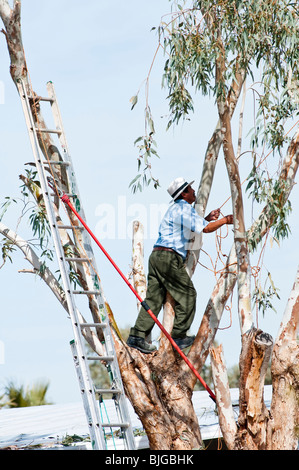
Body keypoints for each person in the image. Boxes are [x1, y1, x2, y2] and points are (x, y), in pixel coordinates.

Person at [127, 177, 233, 353]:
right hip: (169, 257)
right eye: (190, 189)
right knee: (188, 294)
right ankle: (178, 335)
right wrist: (225, 220)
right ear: (184, 193)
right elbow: (205, 229)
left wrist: (207, 218)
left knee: (154, 299)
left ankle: (137, 336)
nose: (193, 191)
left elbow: (195, 226)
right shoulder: (184, 209)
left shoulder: (177, 209)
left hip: (157, 256)